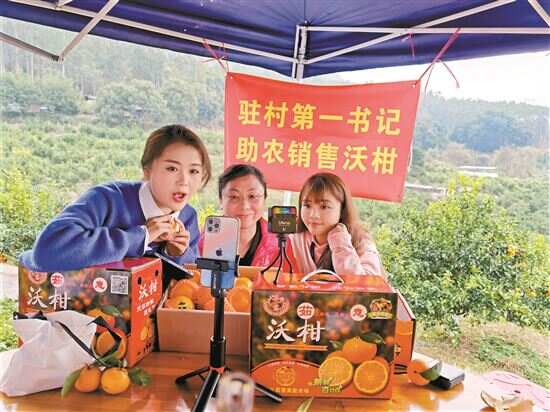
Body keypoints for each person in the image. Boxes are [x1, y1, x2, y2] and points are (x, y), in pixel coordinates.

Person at [20, 124, 211, 272]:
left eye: (194, 171)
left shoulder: (188, 217)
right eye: (172, 168)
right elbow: (47, 252)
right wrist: (142, 236)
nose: (184, 181)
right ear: (147, 170)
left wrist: (176, 254)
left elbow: (189, 288)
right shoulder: (106, 199)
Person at [287, 172, 382, 276]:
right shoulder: (295, 238)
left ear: (342, 210)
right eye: (307, 205)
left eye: (324, 207)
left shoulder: (360, 242)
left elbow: (367, 283)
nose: (313, 215)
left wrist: (340, 243)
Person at [199, 164, 278, 266]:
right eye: (234, 197)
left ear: (264, 199)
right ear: (221, 200)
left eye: (252, 196)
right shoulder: (202, 242)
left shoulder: (279, 244)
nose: (244, 206)